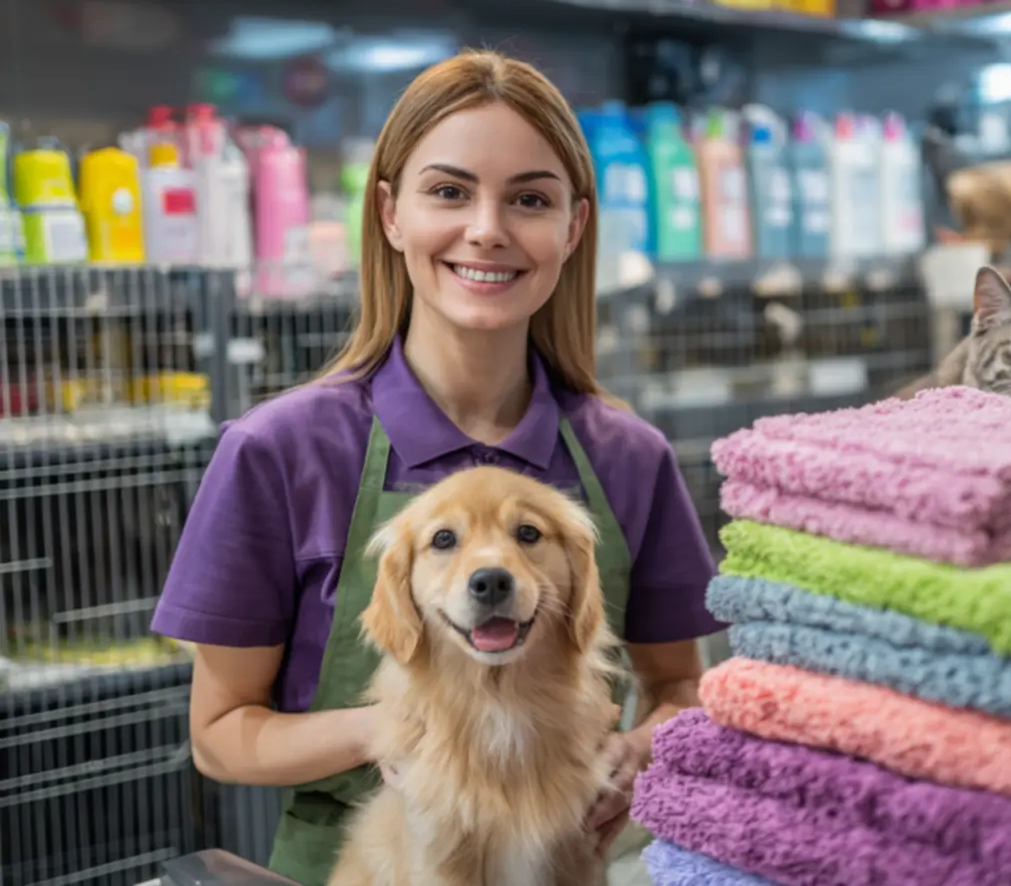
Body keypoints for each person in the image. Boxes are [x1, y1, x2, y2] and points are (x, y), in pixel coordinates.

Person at [150, 50, 723, 886]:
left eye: (528, 199)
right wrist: (386, 732)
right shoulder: (281, 452)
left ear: (572, 226)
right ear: (389, 212)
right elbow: (220, 733)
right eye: (449, 192)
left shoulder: (627, 459)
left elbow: (678, 684)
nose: (487, 228)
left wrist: (638, 757)